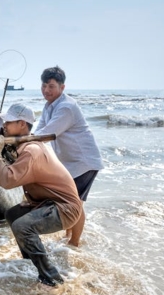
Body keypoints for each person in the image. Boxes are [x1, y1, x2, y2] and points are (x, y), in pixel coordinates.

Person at [0, 104, 84, 288]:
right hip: (48, 203)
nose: (4, 126)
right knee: (12, 214)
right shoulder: (27, 146)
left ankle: (51, 278)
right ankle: (30, 260)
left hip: (65, 209)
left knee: (22, 226)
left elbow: (7, 181)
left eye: (8, 122)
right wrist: (0, 157)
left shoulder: (31, 151)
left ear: (22, 124)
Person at [34, 66, 104, 247]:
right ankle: (67, 236)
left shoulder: (66, 107)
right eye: (43, 86)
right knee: (69, 202)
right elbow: (38, 131)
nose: (46, 90)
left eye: (51, 86)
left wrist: (22, 143)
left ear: (62, 87)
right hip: (69, 163)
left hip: (84, 162)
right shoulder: (48, 106)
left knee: (75, 204)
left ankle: (74, 243)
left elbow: (47, 134)